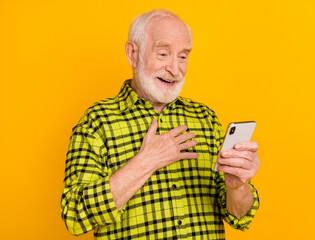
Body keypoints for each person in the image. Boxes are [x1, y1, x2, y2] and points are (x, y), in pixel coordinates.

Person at [61, 9, 260, 239]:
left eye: (183, 57)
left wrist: (237, 187)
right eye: (163, 54)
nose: (175, 70)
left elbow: (239, 215)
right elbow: (74, 216)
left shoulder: (205, 118)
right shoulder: (97, 122)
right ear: (133, 54)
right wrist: (146, 161)